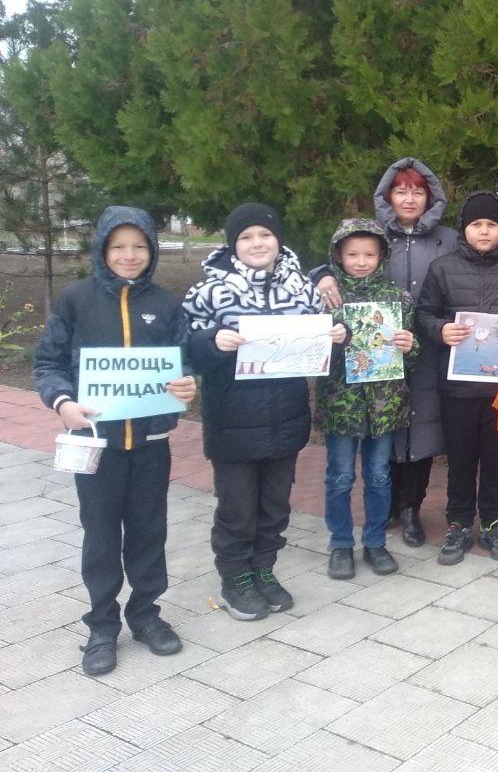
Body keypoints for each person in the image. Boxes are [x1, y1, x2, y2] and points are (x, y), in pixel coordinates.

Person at [33, 207, 197, 676]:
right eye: (119, 246)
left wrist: (186, 383)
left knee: (149, 530)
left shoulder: (166, 304)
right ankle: (102, 625)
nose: (129, 255)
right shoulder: (76, 300)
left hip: (151, 442)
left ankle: (146, 615)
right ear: (103, 250)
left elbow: (181, 363)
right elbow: (48, 363)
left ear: (152, 250)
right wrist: (62, 401)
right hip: (94, 443)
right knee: (101, 534)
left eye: (139, 246)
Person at [184, 203, 342, 620]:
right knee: (236, 507)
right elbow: (183, 347)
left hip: (286, 418)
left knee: (275, 505)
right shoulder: (208, 291)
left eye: (265, 235)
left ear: (278, 240)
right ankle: (235, 575)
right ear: (233, 244)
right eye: (247, 237)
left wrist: (334, 335)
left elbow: (317, 341)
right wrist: (212, 342)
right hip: (233, 421)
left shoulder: (302, 288)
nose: (258, 243)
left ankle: (264, 569)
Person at [315, 158, 457, 547]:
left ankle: (412, 507)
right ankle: (389, 504)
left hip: (425, 348)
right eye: (401, 190)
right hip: (372, 359)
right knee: (384, 430)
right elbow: (333, 263)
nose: (409, 198)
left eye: (417, 191)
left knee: (422, 430)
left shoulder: (449, 239)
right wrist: (319, 275)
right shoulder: (372, 236)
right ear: (387, 195)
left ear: (430, 196)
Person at [416, 192, 498, 564]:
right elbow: (424, 314)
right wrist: (440, 329)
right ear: (465, 229)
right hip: (456, 385)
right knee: (460, 458)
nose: (484, 231)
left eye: (491, 224)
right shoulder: (442, 268)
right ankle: (457, 524)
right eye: (476, 225)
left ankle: (492, 522)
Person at [314, 219, 418, 580]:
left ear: (381, 256)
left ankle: (375, 541)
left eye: (369, 254)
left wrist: (410, 344)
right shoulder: (326, 296)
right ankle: (341, 543)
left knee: (378, 475)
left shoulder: (397, 296)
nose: (361, 261)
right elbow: (309, 349)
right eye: (352, 254)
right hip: (340, 404)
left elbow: (413, 347)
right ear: (338, 257)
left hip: (384, 405)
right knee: (340, 476)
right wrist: (330, 338)